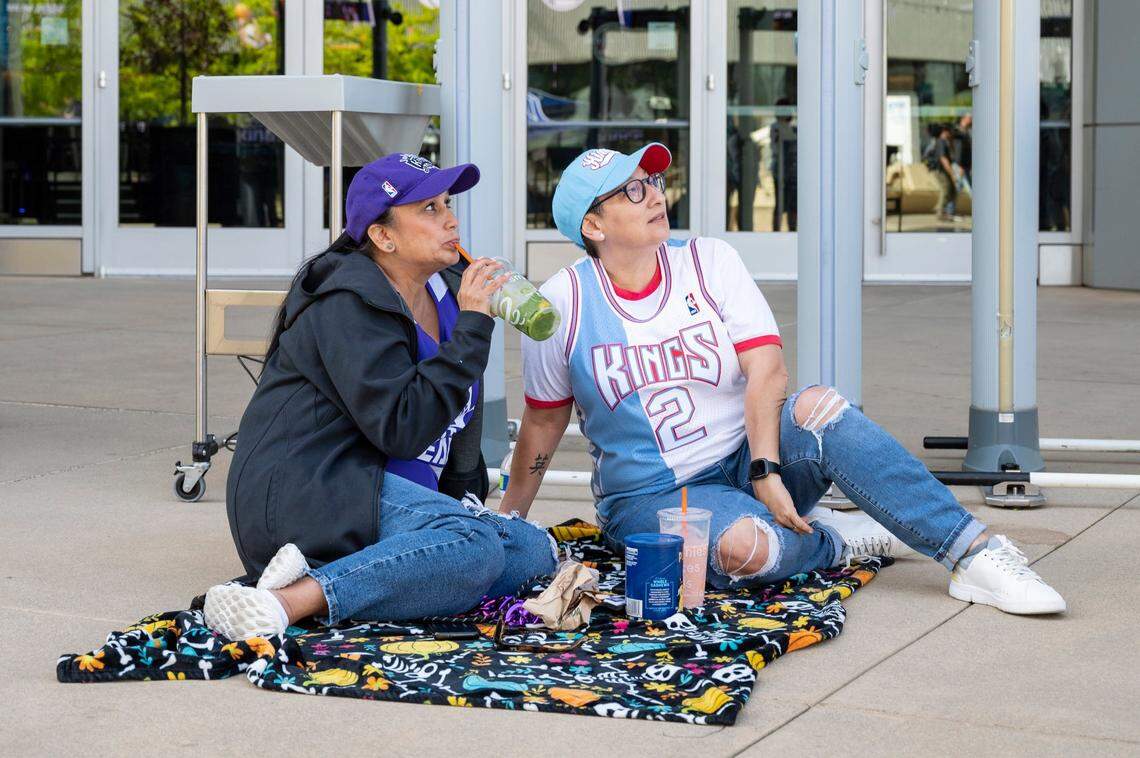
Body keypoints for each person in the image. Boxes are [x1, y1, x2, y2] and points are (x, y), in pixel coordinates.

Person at [499, 143, 1066, 616]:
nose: (654, 193)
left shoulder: (709, 260)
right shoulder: (562, 305)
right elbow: (545, 420)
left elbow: (767, 367)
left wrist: (766, 466)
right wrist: (510, 523)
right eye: (631, 190)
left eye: (651, 179)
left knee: (819, 406)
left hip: (750, 456)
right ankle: (839, 539)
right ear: (592, 225)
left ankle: (974, 553)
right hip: (654, 496)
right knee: (745, 549)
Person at [203, 153, 557, 640]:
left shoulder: (451, 292)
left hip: (386, 493)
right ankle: (286, 602)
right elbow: (403, 429)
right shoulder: (347, 301)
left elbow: (461, 417)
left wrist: (459, 504)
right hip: (314, 488)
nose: (451, 219)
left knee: (530, 551)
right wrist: (475, 328)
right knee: (475, 545)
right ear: (382, 235)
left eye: (447, 203)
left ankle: (363, 572)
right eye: (429, 208)